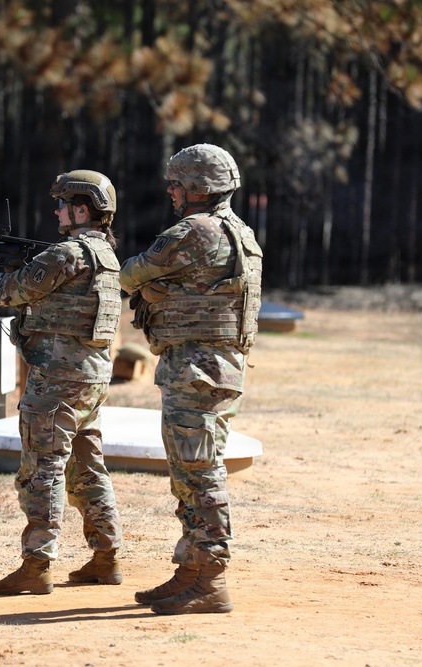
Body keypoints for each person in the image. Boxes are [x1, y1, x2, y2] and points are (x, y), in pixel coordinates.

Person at [0, 170, 125, 595]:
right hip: (89, 377)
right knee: (86, 467)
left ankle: (37, 565)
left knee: (42, 470)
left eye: (63, 203)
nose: (56, 210)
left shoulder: (68, 253)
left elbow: (13, 292)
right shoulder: (106, 253)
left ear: (82, 209)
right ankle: (106, 557)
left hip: (57, 380)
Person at [119, 144, 262, 615]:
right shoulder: (239, 231)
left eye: (177, 184)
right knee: (191, 470)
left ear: (199, 188)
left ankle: (210, 579)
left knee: (199, 472)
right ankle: (193, 572)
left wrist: (150, 286)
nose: (170, 191)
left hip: (197, 370)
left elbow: (130, 273)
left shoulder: (194, 231)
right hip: (211, 367)